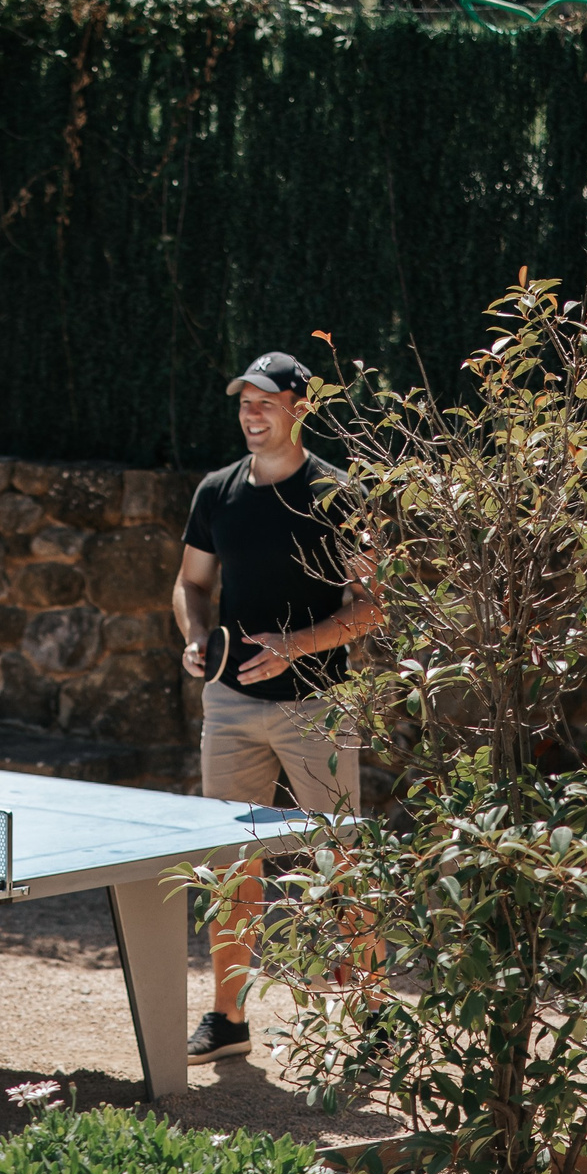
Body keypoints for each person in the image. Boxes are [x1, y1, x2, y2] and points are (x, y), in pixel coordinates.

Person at [174, 352, 383, 1063]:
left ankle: (376, 1016)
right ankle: (228, 1018)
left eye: (265, 401)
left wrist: (295, 645)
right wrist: (197, 639)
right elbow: (191, 585)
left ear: (300, 406)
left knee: (339, 859)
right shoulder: (217, 492)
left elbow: (370, 607)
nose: (251, 413)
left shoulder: (340, 493)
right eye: (243, 402)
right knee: (230, 867)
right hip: (230, 704)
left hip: (317, 706)